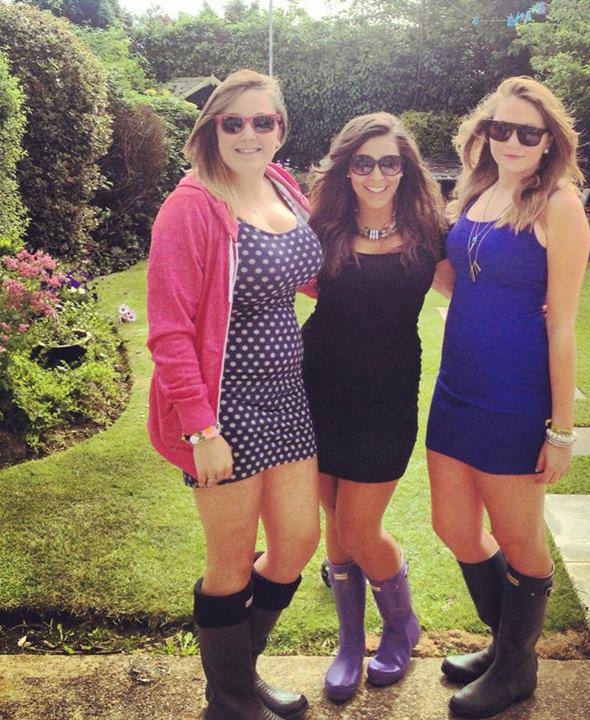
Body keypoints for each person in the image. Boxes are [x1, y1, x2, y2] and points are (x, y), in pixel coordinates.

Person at [146, 69, 323, 720]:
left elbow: (310, 273)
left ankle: (238, 680)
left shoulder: (281, 185)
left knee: (297, 542)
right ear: (213, 128)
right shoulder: (192, 206)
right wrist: (202, 429)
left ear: (281, 130)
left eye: (263, 121)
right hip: (223, 409)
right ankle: (230, 700)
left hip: (288, 401)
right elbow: (168, 330)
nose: (249, 134)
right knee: (230, 563)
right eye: (234, 122)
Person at [426, 76, 590, 718]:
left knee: (518, 539)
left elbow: (563, 325)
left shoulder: (558, 205)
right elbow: (459, 281)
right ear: (485, 133)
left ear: (549, 140)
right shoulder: (476, 192)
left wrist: (561, 431)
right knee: (453, 527)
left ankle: (516, 668)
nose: (513, 140)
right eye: (501, 128)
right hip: (456, 389)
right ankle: (506, 648)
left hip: (515, 398)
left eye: (528, 131)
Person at [301, 112, 446, 701]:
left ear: (406, 168)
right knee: (335, 524)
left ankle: (401, 625)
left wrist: (537, 306)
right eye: (363, 162)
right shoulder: (323, 229)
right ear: (346, 168)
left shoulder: (430, 233)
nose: (377, 174)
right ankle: (348, 643)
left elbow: (474, 289)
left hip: (386, 397)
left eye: (389, 162)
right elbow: (281, 280)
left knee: (359, 527)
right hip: (317, 389)